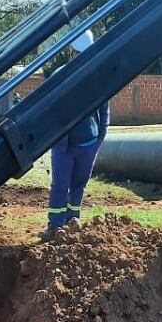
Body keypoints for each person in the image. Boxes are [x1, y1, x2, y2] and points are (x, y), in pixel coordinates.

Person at [40, 29, 109, 242]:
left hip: (88, 142)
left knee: (78, 185)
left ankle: (72, 223)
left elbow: (104, 109)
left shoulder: (97, 77)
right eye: (79, 53)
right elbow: (48, 108)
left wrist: (100, 138)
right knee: (60, 185)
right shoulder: (59, 76)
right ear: (72, 52)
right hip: (63, 144)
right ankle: (55, 226)